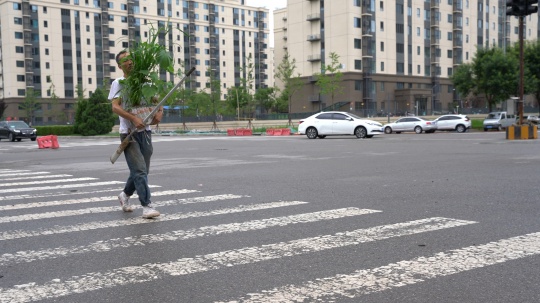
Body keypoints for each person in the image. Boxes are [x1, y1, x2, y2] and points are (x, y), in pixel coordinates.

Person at [108, 50, 163, 219]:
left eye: (132, 59)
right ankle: (147, 205)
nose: (130, 62)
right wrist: (133, 118)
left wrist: (159, 113)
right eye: (125, 61)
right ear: (119, 66)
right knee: (139, 170)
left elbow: (157, 101)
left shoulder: (145, 82)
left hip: (145, 132)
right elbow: (115, 107)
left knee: (141, 170)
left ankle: (124, 195)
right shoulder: (119, 83)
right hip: (129, 133)